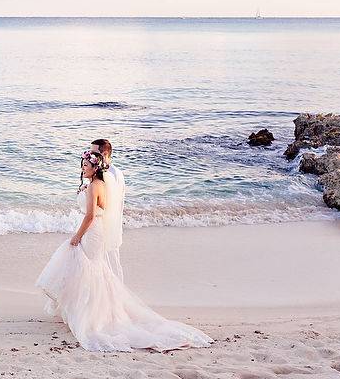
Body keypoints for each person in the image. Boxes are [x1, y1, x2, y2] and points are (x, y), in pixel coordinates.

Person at [35, 149, 212, 352]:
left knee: (88, 270)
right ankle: (84, 311)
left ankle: (92, 316)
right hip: (95, 230)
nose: (82, 168)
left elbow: (91, 215)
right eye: (82, 165)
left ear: (95, 167)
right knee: (90, 270)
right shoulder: (97, 184)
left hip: (92, 232)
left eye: (86, 165)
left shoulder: (95, 186)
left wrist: (78, 235)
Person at [91, 139, 125, 281]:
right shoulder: (101, 172)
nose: (91, 156)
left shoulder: (112, 174)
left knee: (109, 265)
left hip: (106, 224)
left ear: (104, 153)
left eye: (93, 153)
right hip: (99, 224)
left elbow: (110, 204)